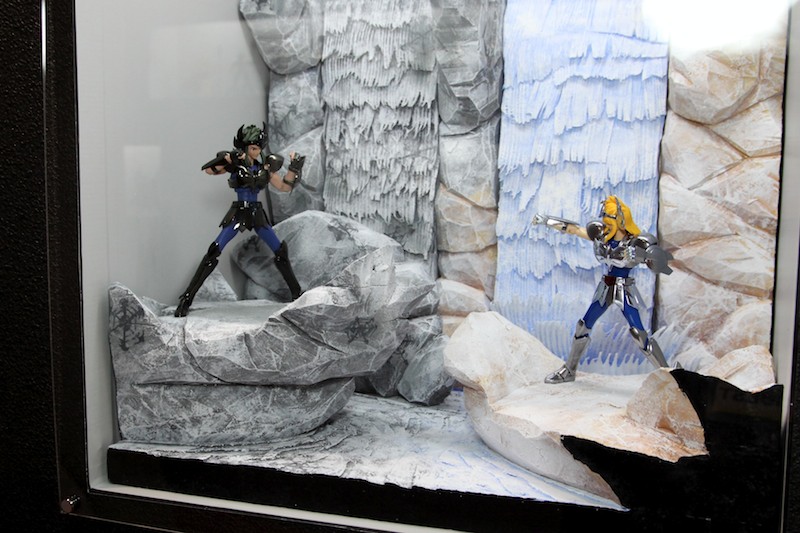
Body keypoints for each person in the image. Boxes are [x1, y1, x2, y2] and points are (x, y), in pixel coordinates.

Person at [533, 195, 673, 383]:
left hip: (624, 290)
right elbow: (575, 230)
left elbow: (657, 260)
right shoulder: (603, 237)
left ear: (621, 220)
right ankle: (569, 370)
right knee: (583, 326)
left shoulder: (636, 242)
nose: (605, 220)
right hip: (605, 288)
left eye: (609, 216)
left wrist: (643, 256)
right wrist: (547, 221)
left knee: (638, 334)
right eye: (604, 215)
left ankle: (670, 375)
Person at [174, 123, 305, 317]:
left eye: (258, 148)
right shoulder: (235, 164)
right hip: (239, 213)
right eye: (252, 148)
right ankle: (186, 298)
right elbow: (209, 171)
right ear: (244, 147)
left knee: (279, 250)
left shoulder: (265, 167)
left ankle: (297, 294)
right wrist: (227, 159)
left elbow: (284, 187)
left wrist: (294, 168)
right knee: (214, 250)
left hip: (256, 213)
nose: (256, 151)